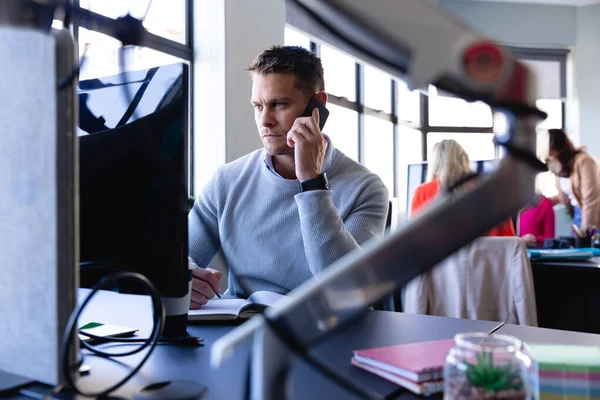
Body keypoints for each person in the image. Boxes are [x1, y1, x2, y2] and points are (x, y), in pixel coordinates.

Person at [188, 45, 389, 308]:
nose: (265, 120)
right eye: (258, 106)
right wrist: (184, 276)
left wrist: (312, 183)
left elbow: (348, 289)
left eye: (279, 104)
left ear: (319, 105)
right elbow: (183, 255)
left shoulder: (367, 188)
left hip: (324, 335)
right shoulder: (225, 182)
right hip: (239, 331)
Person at [410, 139, 515, 236]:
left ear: (434, 164)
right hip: (487, 255)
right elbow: (509, 240)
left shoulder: (422, 192)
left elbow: (414, 240)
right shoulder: (489, 190)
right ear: (464, 159)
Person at [547, 128, 600, 231]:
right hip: (577, 214)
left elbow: (591, 198)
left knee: (588, 246)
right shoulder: (559, 166)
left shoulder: (584, 161)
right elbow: (568, 193)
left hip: (593, 215)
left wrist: (586, 231)